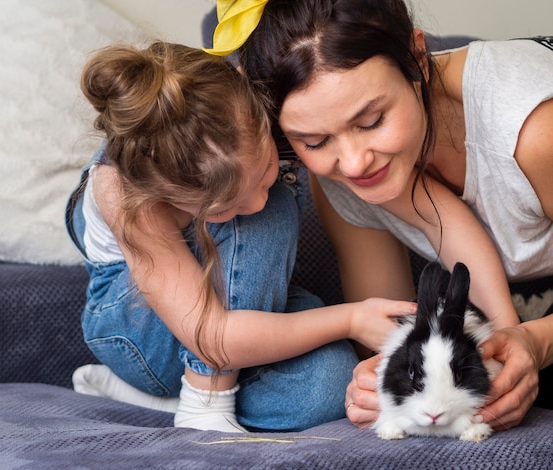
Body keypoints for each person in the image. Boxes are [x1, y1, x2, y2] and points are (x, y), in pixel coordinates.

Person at [205, 0, 553, 430]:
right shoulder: (341, 174)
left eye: (371, 121)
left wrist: (534, 341)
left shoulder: (533, 129)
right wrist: (380, 386)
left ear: (418, 58)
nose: (352, 164)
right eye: (313, 141)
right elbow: (393, 326)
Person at [65, 41, 417, 433]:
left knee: (332, 384)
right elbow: (212, 334)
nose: (255, 201)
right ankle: (204, 401)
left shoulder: (240, 105)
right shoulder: (124, 189)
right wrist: (350, 318)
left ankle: (162, 403)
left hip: (236, 312)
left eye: (267, 168)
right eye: (218, 209)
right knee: (272, 213)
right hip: (145, 336)